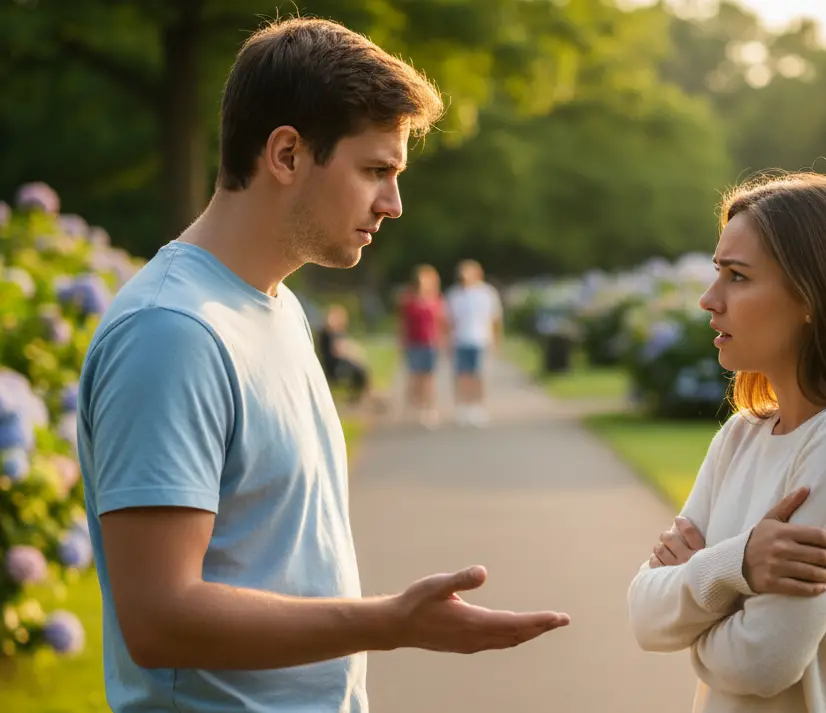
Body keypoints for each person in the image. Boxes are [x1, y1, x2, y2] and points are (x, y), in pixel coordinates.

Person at [76, 17, 569, 713]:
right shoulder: (173, 331)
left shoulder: (277, 309)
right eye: (376, 171)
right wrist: (389, 621)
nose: (394, 204)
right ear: (286, 154)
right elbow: (160, 617)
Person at [626, 172, 826, 713]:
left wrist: (696, 590)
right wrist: (738, 565)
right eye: (717, 273)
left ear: (812, 295)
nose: (710, 300)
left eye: (737, 277)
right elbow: (642, 614)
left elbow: (761, 662)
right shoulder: (741, 436)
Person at [445, 259, 503, 426]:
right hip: (460, 339)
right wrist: (447, 341)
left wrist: (497, 341)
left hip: (481, 339)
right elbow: (449, 321)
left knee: (479, 375)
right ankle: (463, 406)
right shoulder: (455, 294)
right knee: (462, 375)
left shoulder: (487, 293)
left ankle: (478, 406)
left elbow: (495, 320)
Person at [397, 264, 446, 427]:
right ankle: (411, 408)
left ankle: (429, 409)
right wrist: (401, 341)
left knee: (428, 378)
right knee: (414, 377)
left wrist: (443, 341)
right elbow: (402, 323)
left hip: (430, 343)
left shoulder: (436, 300)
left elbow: (441, 323)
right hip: (413, 343)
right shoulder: (408, 300)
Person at [319, 304, 373, 406]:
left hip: (338, 364)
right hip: (334, 367)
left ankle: (361, 397)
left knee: (361, 369)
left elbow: (345, 344)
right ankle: (363, 397)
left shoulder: (337, 333)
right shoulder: (327, 333)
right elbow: (338, 349)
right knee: (360, 370)